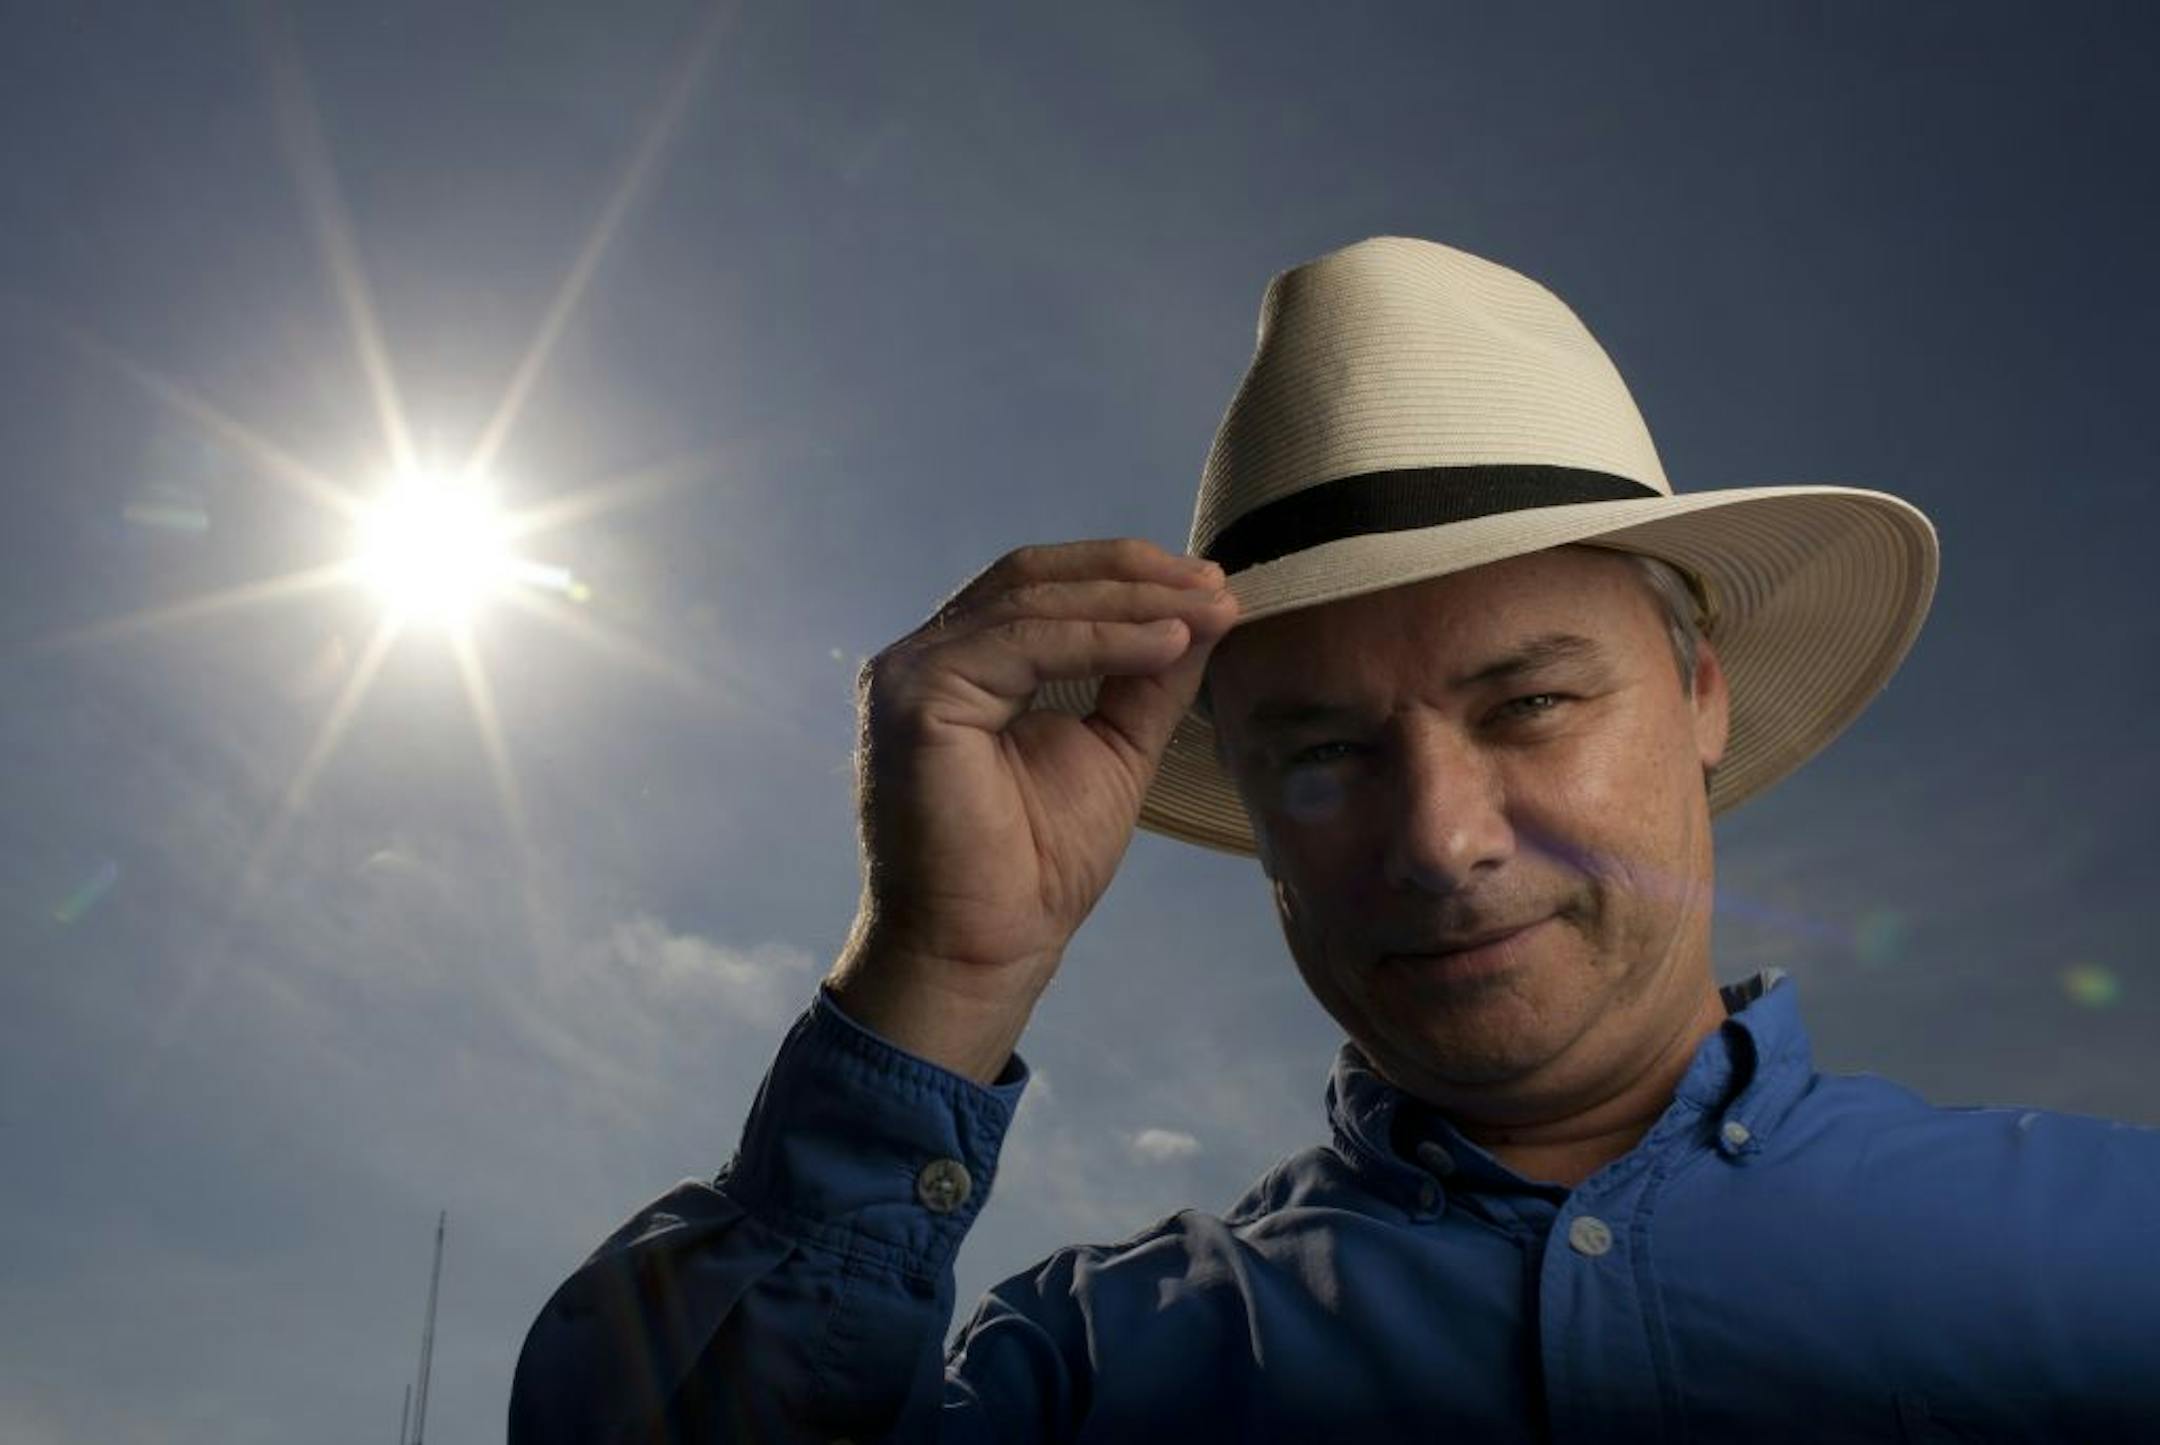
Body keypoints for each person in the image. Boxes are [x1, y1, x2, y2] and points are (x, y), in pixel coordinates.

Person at [508, 238, 2159, 1443]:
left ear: (1701, 693)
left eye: (1527, 706)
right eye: (1324, 752)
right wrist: (936, 972)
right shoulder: (1081, 1375)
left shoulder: (2114, 1258)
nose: (1437, 841)